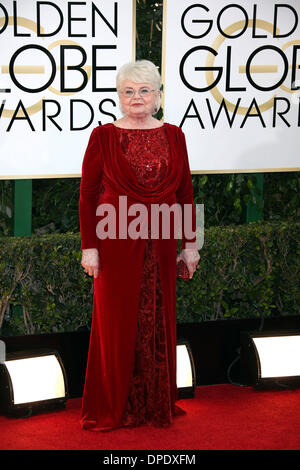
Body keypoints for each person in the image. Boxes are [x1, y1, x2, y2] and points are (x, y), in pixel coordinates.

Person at [79, 59, 200, 431]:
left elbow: (184, 194)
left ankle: (153, 404)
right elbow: (86, 196)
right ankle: (115, 406)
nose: (136, 98)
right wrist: (90, 247)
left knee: (158, 320)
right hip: (115, 244)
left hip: (162, 243)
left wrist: (190, 245)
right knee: (116, 324)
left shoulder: (175, 136)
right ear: (119, 97)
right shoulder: (103, 137)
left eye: (144, 90)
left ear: (158, 96)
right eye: (128, 91)